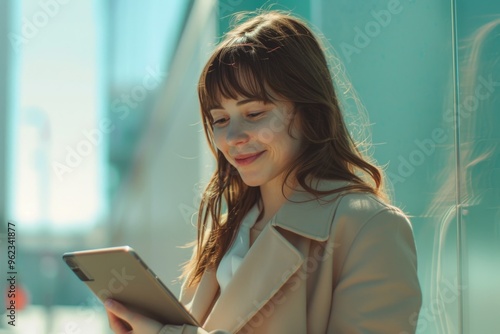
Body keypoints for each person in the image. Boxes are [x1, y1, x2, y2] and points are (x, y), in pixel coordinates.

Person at [105, 10, 422, 334]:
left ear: (309, 111)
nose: (232, 138)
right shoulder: (227, 229)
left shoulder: (368, 226)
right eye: (220, 120)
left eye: (254, 113)